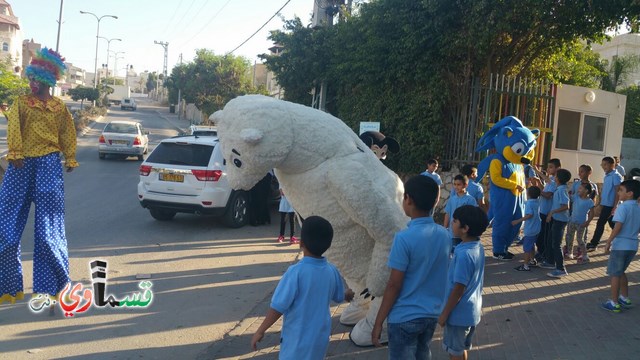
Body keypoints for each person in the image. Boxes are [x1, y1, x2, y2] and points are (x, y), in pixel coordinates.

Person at [0, 48, 78, 305]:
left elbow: (67, 132)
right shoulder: (22, 102)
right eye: (30, 79)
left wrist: (70, 156)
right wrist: (16, 153)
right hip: (20, 166)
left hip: (49, 166)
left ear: (48, 80)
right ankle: (8, 287)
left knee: (49, 232)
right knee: (6, 227)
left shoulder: (58, 108)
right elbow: (14, 128)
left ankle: (53, 287)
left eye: (36, 80)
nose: (32, 84)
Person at [251, 216, 354, 358]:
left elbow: (278, 306)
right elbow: (338, 296)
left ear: (301, 242)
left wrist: (261, 330)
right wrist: (347, 294)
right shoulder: (331, 271)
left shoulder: (295, 272)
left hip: (296, 341)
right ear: (328, 245)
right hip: (320, 339)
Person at [371, 175, 450, 359]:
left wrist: (378, 322)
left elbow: (394, 285)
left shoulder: (403, 238)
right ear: (436, 200)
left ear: (409, 200)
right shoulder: (444, 235)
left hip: (404, 317)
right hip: (431, 315)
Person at [438, 205, 489, 360]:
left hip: (458, 315)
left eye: (454, 221)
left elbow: (458, 289)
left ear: (465, 228)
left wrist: (444, 314)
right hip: (470, 312)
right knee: (460, 350)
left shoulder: (464, 255)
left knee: (454, 352)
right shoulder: (477, 247)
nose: (451, 224)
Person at [601, 179, 640, 312]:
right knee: (621, 271)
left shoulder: (623, 207)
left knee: (615, 274)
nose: (618, 192)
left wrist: (608, 241)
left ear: (630, 193)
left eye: (621, 190)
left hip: (620, 245)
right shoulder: (638, 207)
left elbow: (618, 226)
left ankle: (614, 302)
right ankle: (624, 297)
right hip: (633, 245)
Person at [587, 157, 624, 251]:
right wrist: (601, 203)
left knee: (600, 223)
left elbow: (617, 192)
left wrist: (615, 206)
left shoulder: (616, 176)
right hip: (606, 204)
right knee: (612, 224)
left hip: (611, 205)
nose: (603, 167)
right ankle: (622, 239)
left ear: (612, 164)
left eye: (605, 164)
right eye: (602, 165)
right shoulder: (607, 176)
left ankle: (594, 243)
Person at [532, 158, 561, 268]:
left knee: (544, 235)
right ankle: (541, 253)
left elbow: (548, 195)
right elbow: (545, 190)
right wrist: (538, 183)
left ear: (558, 168)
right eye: (548, 167)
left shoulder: (556, 181)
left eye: (551, 167)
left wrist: (537, 172)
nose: (548, 169)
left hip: (548, 213)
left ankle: (544, 255)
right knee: (540, 234)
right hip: (542, 211)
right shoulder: (551, 180)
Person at [546, 168, 572, 278]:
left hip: (560, 220)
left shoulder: (562, 190)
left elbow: (566, 206)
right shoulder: (560, 188)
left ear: (559, 178)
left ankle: (560, 268)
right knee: (553, 242)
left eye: (556, 176)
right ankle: (552, 263)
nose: (554, 177)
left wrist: (552, 212)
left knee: (557, 245)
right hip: (557, 219)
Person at [444, 175, 478, 253]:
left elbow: (473, 216)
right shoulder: (452, 199)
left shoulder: (470, 200)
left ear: (465, 185)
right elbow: (448, 214)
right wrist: (445, 228)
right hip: (452, 233)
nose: (456, 187)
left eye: (459, 184)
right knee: (452, 254)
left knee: (462, 253)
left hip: (464, 234)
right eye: (455, 184)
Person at [511, 186, 541, 271]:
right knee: (531, 245)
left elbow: (529, 215)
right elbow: (526, 201)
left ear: (529, 194)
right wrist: (522, 192)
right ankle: (532, 260)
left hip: (530, 229)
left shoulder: (529, 204)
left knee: (527, 248)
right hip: (537, 228)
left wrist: (517, 221)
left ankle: (525, 265)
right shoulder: (537, 201)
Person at [565, 183, 595, 264]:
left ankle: (585, 255)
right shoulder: (576, 197)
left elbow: (592, 214)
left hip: (581, 224)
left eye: (581, 188)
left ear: (586, 191)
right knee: (569, 237)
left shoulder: (590, 201)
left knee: (580, 240)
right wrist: (568, 193)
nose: (578, 190)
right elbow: (568, 197)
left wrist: (588, 222)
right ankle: (569, 253)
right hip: (572, 221)